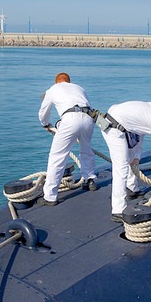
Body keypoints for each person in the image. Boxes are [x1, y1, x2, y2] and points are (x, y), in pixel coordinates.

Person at [37, 72, 96, 206]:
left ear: (56, 82)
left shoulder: (53, 89)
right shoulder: (79, 88)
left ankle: (50, 196)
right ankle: (89, 180)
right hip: (88, 118)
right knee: (86, 150)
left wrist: (45, 124)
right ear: (69, 81)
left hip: (69, 119)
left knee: (57, 157)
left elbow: (43, 111)